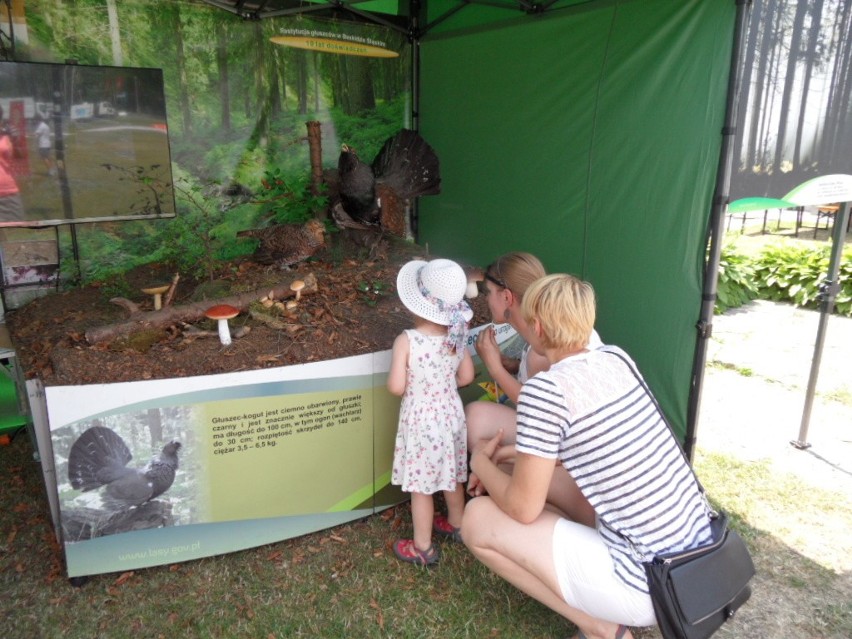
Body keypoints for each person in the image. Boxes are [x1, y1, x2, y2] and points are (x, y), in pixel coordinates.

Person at [462, 274, 714, 639]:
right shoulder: (616, 358)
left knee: (477, 519)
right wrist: (507, 453)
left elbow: (522, 508)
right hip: (693, 559)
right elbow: (583, 450)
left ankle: (601, 627)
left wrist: (480, 463)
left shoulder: (545, 390)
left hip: (647, 582)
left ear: (537, 327)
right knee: (530, 479)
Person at [387, 258, 475, 566]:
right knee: (452, 475)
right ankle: (457, 524)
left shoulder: (406, 341)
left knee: (421, 487)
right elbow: (465, 377)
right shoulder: (456, 336)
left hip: (422, 421)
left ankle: (422, 546)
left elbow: (397, 386)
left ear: (414, 304)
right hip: (450, 415)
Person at [465, 252, 602, 449]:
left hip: (569, 443)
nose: (486, 299)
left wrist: (495, 368)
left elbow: (535, 407)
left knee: (473, 420)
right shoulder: (553, 319)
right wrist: (513, 365)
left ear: (506, 296)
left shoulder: (541, 346)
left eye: (488, 292)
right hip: (575, 429)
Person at [0, 105, 25, 222]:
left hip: (8, 192)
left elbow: (20, 157)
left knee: (16, 232)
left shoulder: (7, 136)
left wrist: (15, 141)